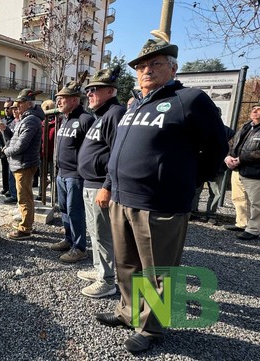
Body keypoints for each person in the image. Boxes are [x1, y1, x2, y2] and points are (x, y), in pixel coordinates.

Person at [95, 34, 228, 354]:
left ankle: (151, 327)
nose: (146, 70)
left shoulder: (190, 100)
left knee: (157, 272)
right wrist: (111, 185)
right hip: (122, 200)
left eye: (155, 64)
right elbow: (120, 152)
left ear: (173, 67)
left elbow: (217, 148)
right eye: (141, 66)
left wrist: (189, 181)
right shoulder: (135, 104)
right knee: (126, 265)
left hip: (160, 204)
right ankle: (129, 313)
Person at [77, 66, 126, 298]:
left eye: (94, 89)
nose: (89, 94)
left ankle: (107, 280)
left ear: (110, 91)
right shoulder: (101, 116)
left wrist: (107, 186)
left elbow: (118, 153)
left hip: (99, 185)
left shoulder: (115, 113)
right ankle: (99, 269)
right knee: (94, 232)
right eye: (88, 90)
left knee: (103, 234)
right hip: (89, 183)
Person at [50, 78, 94, 263]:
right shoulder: (64, 119)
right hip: (61, 174)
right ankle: (68, 240)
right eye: (58, 98)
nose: (58, 101)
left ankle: (80, 247)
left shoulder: (85, 119)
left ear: (75, 100)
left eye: (62, 98)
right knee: (64, 210)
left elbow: (93, 149)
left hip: (76, 176)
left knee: (75, 211)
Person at [0, 88, 43, 240]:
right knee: (25, 196)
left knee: (24, 197)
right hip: (22, 163)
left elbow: (20, 146)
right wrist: (5, 131)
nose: (16, 107)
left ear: (28, 104)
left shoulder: (30, 120)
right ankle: (27, 222)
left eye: (19, 103)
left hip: (24, 163)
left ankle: (25, 229)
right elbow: (15, 139)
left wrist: (6, 151)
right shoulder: (26, 118)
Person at [224, 102, 260, 240]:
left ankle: (254, 229)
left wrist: (241, 159)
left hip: (255, 172)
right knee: (238, 198)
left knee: (255, 202)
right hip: (238, 169)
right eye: (254, 109)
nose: (255, 111)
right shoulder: (246, 126)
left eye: (258, 109)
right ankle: (242, 223)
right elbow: (232, 143)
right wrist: (228, 157)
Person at [192, 125, 235, 224]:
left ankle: (193, 212)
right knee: (214, 193)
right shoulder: (228, 132)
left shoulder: (202, 128)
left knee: (197, 191)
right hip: (214, 167)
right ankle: (210, 215)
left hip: (204, 166)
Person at [0, 101, 14, 195]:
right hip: (3, 150)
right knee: (4, 169)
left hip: (11, 149)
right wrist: (0, 147)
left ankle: (11, 189)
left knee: (11, 171)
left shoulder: (15, 120)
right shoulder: (2, 121)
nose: (6, 110)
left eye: (8, 108)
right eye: (5, 108)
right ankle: (5, 187)